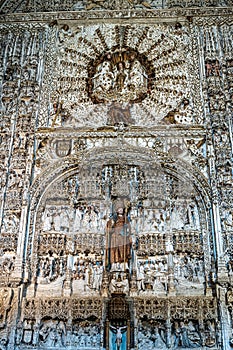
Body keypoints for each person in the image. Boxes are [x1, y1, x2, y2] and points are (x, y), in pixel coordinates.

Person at [106, 204, 132, 271]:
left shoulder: (126, 218)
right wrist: (112, 223)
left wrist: (127, 229)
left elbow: (129, 228)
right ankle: (115, 264)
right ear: (117, 210)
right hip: (115, 236)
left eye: (122, 209)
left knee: (123, 249)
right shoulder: (114, 218)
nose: (121, 210)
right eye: (119, 209)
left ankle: (124, 264)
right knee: (115, 250)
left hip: (123, 236)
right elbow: (110, 227)